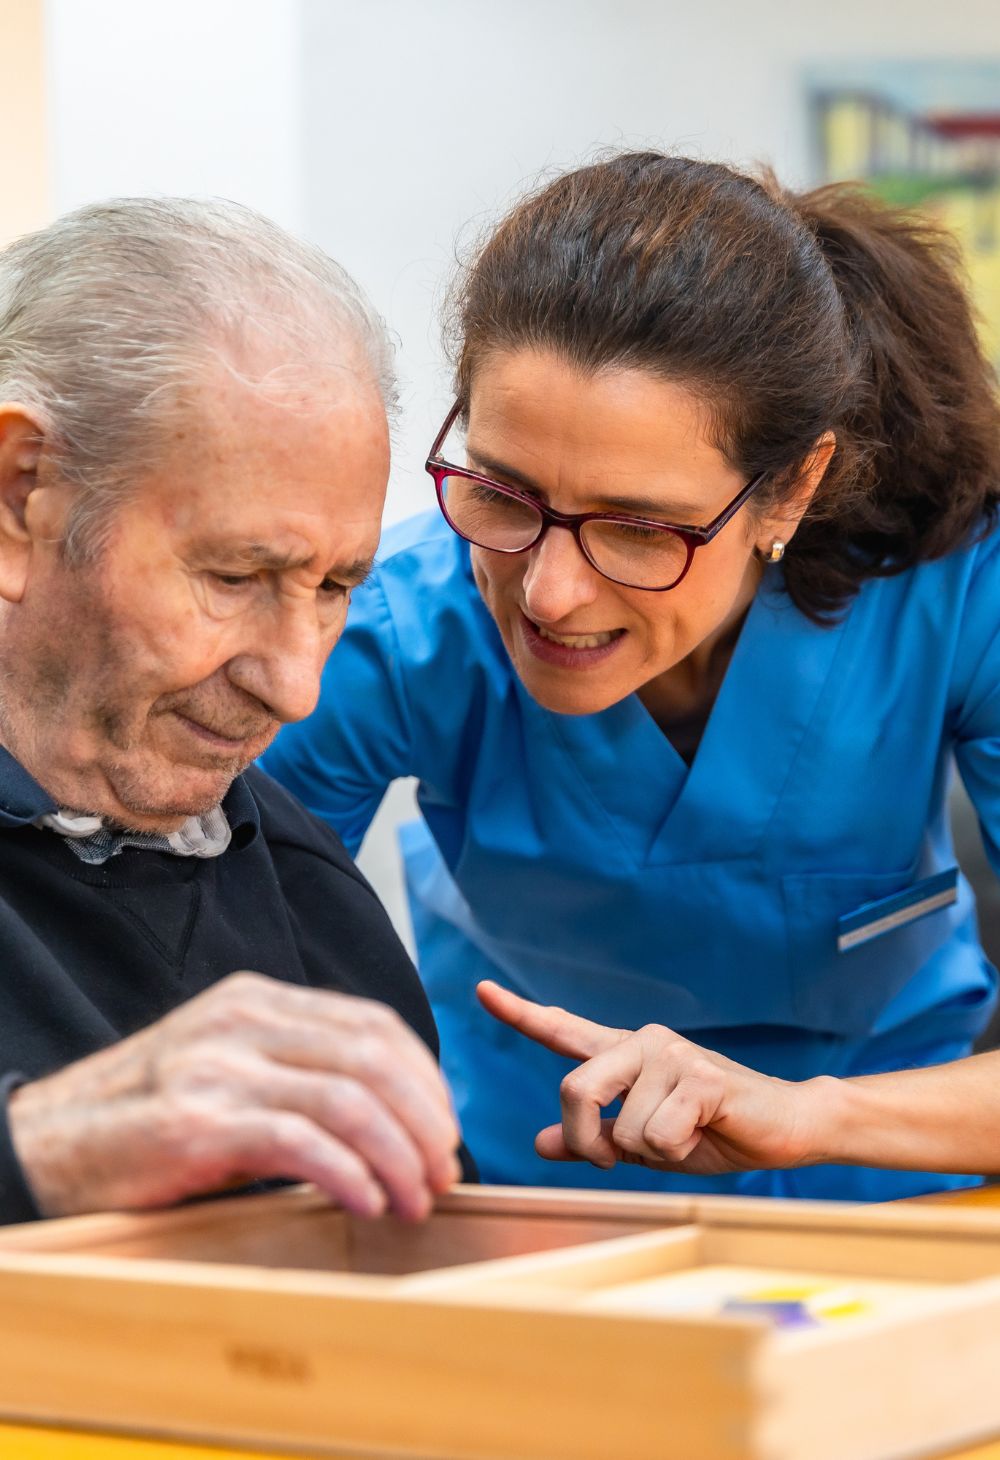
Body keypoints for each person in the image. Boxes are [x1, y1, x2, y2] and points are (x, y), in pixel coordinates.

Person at [263, 151, 1000, 1202]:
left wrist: (815, 1113)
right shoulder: (396, 631)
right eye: (505, 493)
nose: (549, 591)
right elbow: (211, 975)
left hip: (885, 1167)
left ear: (790, 491)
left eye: (639, 528)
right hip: (527, 1183)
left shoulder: (959, 595)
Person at [0, 198, 463, 1227]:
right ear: (19, 490)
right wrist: (47, 1146)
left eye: (336, 585)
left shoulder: (297, 881)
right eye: (237, 574)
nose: (297, 687)